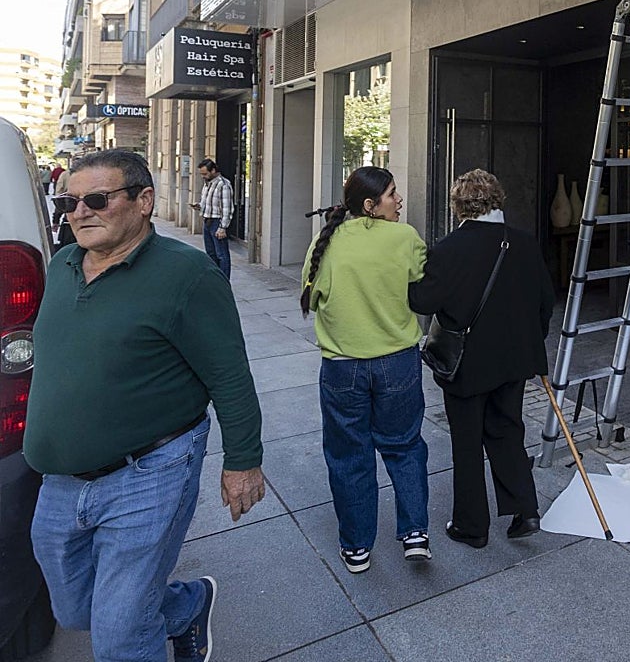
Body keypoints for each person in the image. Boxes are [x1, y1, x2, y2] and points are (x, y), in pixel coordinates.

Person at [24, 149, 266, 662]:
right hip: (60, 480)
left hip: (149, 472)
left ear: (144, 201)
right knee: (74, 610)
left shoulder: (188, 274)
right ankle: (186, 605)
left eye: (97, 199)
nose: (79, 211)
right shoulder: (65, 262)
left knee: (120, 640)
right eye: (70, 200)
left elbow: (230, 375)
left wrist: (243, 461)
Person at [410, 169, 554, 548]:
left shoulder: (448, 249)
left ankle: (472, 526)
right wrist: (531, 342)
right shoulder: (523, 242)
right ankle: (525, 509)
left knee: (467, 442)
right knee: (508, 430)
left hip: (467, 364)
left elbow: (422, 301)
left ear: (458, 205)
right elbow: (545, 300)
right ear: (498, 200)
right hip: (514, 359)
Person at [301, 166, 431, 572]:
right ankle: (414, 534)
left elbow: (314, 296)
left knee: (349, 456)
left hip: (343, 367)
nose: (399, 201)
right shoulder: (405, 237)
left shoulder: (327, 241)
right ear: (370, 205)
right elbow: (423, 285)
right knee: (405, 446)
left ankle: (357, 546)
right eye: (392, 194)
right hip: (398, 363)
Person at [191, 158, 233, 280]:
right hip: (207, 221)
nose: (203, 176)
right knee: (211, 253)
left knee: (222, 255)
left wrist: (222, 227)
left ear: (213, 170)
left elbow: (227, 208)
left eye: (205, 173)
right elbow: (207, 203)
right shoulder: (207, 184)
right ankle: (215, 280)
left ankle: (224, 282)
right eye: (202, 174)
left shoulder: (223, 184)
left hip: (217, 222)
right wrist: (198, 206)